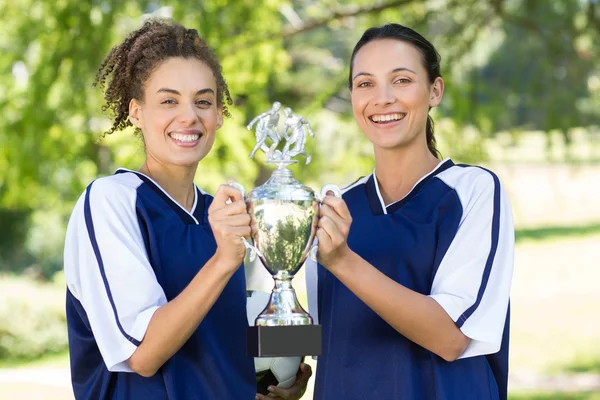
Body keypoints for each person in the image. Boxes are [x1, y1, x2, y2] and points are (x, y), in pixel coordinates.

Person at [63, 19, 312, 400]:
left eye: (203, 101)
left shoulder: (221, 214)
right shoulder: (111, 201)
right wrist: (224, 260)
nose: (189, 116)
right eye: (168, 101)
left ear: (218, 115)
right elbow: (144, 356)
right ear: (135, 112)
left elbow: (221, 338)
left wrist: (284, 370)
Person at [306, 23, 514, 400]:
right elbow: (323, 328)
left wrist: (342, 261)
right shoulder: (333, 207)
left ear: (434, 90)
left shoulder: (473, 191)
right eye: (365, 84)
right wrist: (283, 373)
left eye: (401, 80)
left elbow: (450, 338)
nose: (382, 98)